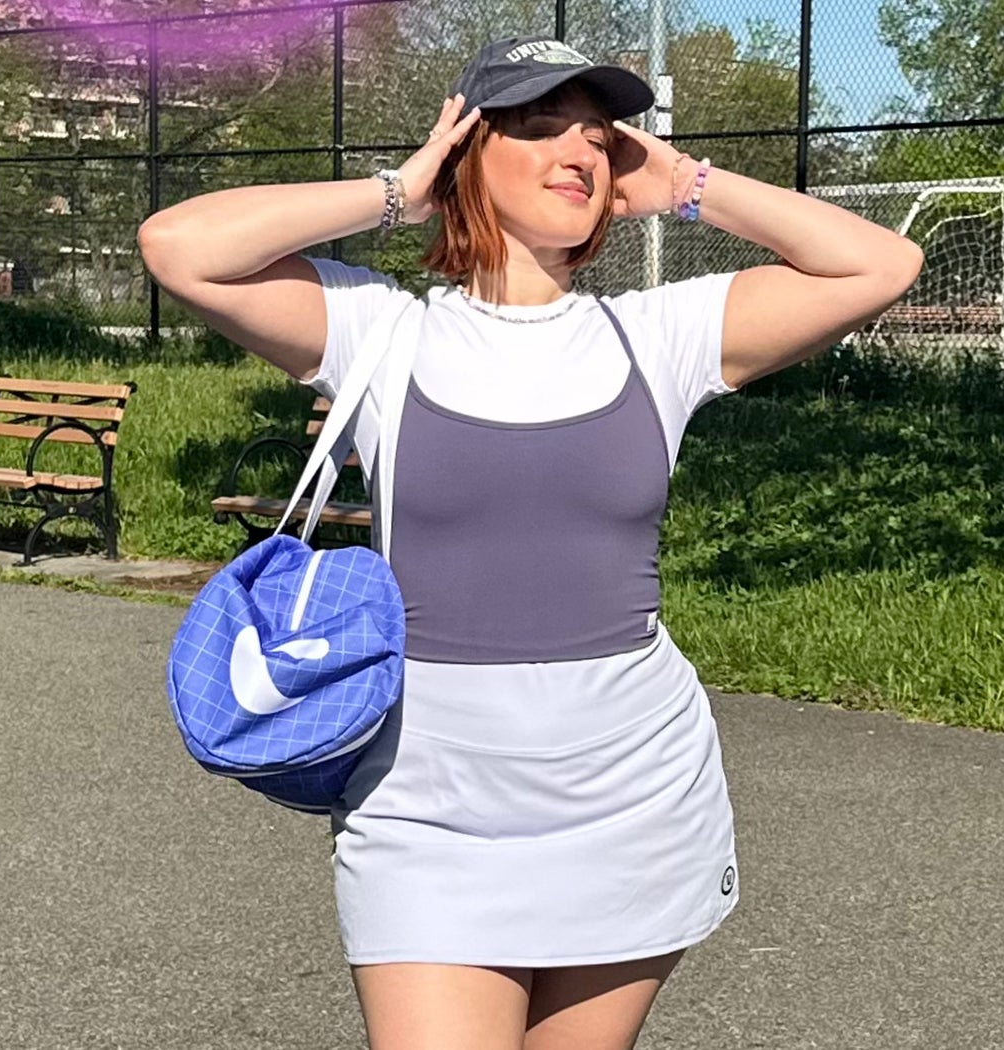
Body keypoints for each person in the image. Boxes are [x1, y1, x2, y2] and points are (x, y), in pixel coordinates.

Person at [137, 34, 923, 1050]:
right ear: (470, 151)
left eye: (597, 136)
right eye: (542, 126)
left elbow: (883, 263)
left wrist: (687, 185)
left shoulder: (659, 336)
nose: (580, 152)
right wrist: (398, 191)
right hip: (428, 804)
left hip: (631, 796)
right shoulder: (379, 331)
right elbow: (179, 247)